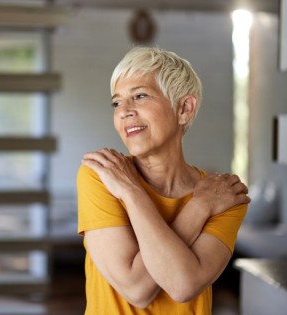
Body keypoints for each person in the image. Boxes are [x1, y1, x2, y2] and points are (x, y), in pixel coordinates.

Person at [76, 47, 250, 314]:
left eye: (140, 96)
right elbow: (136, 289)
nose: (124, 111)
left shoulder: (224, 195)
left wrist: (131, 193)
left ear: (184, 109)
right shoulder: (101, 176)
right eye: (117, 102)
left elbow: (183, 285)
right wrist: (198, 208)